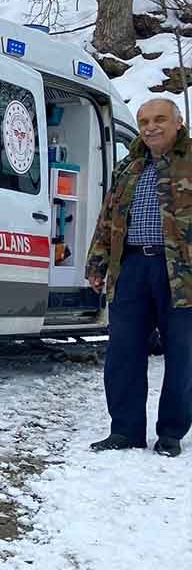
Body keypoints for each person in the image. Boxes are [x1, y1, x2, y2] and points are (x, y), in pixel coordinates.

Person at [86, 97, 191, 458]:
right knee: (123, 353)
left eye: (159, 119)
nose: (150, 127)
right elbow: (107, 218)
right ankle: (126, 431)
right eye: (144, 121)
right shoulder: (129, 166)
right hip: (130, 268)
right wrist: (97, 264)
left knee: (182, 355)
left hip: (182, 274)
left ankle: (171, 434)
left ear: (178, 123)